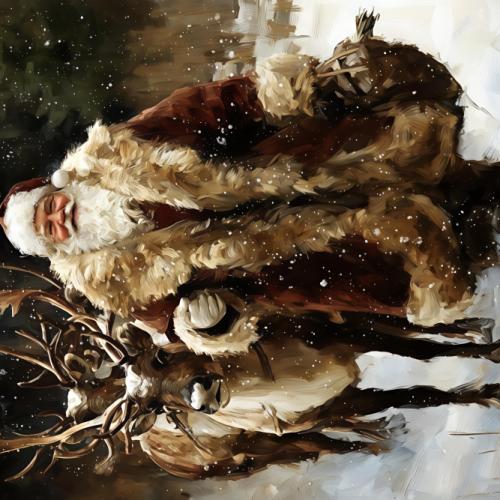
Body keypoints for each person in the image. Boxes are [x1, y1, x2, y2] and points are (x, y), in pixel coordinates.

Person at [1, 12, 498, 355]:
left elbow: (201, 108)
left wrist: (278, 94)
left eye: (50, 207)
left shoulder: (117, 151)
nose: (60, 218)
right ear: (56, 246)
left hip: (293, 165)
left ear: (57, 189)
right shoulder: (112, 285)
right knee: (419, 257)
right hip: (290, 260)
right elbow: (171, 327)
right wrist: (204, 324)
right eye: (49, 229)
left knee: (408, 157)